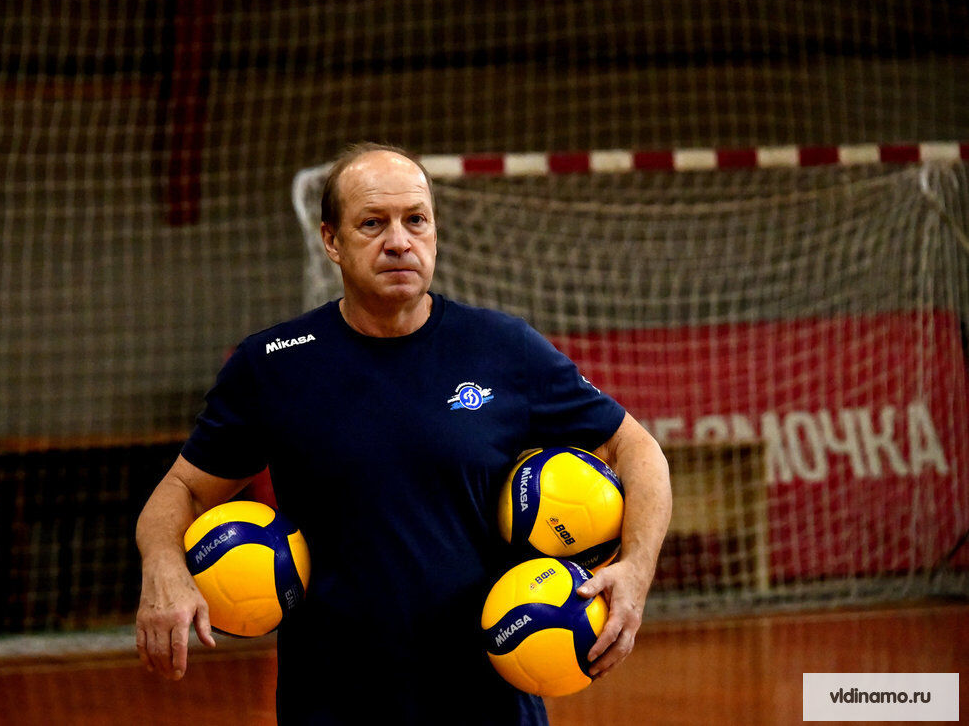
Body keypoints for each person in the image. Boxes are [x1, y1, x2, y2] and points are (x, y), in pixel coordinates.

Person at [136, 142, 672, 724]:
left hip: (487, 705)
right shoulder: (272, 366)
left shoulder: (502, 348)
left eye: (416, 220)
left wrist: (635, 570)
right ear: (331, 241)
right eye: (372, 223)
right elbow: (183, 490)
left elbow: (636, 448)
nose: (399, 241)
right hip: (333, 704)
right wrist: (164, 567)